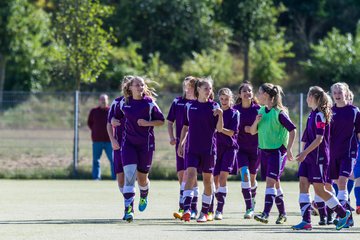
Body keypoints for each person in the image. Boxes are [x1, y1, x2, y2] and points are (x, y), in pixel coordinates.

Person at [292, 86, 351, 231]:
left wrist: (305, 153)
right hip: (309, 157)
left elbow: (319, 139)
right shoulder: (312, 114)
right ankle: (306, 221)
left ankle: (343, 214)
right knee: (303, 184)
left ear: (314, 97)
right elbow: (307, 137)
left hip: (319, 157)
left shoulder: (320, 115)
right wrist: (303, 153)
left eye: (308, 95)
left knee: (319, 190)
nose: (306, 98)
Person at [114, 76, 165, 222]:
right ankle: (128, 210)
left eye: (142, 85)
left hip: (145, 145)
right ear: (130, 87)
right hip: (128, 144)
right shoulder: (124, 102)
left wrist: (147, 123)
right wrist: (112, 120)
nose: (140, 87)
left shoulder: (149, 103)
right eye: (137, 85)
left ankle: (144, 194)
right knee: (129, 176)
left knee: (142, 179)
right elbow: (114, 117)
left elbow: (161, 120)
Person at [177, 77, 223, 222]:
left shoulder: (214, 106)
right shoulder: (189, 106)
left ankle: (204, 212)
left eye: (210, 89)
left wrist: (221, 115)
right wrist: (180, 144)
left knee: (208, 180)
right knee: (190, 175)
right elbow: (185, 127)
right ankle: (187, 209)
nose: (209, 91)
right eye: (205, 88)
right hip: (192, 148)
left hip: (208, 150)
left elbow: (219, 129)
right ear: (198, 89)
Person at [249, 83, 296, 225]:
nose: (257, 95)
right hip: (264, 151)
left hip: (277, 151)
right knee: (275, 183)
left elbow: (293, 130)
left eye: (259, 92)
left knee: (270, 182)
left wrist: (288, 149)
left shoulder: (280, 113)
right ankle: (282, 214)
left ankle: (265, 213)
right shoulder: (262, 111)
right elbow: (252, 132)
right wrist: (256, 122)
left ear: (267, 95)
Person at [328, 82, 360, 226]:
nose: (337, 95)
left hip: (349, 152)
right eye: (335, 92)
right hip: (333, 153)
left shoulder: (354, 111)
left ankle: (342, 216)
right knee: (336, 184)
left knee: (342, 182)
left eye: (340, 92)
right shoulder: (329, 111)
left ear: (346, 93)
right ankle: (349, 218)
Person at [167, 76, 198, 220]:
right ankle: (186, 206)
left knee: (190, 175)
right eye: (187, 85)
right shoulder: (177, 101)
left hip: (194, 143)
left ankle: (189, 208)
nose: (189, 88)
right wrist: (172, 137)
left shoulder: (198, 103)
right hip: (180, 143)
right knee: (181, 175)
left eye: (192, 86)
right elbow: (169, 122)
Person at [233, 81, 260, 219]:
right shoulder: (235, 110)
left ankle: (252, 198)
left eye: (249, 90)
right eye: (244, 91)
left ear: (252, 93)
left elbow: (256, 130)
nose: (247, 93)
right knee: (245, 174)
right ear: (240, 94)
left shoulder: (258, 109)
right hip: (240, 149)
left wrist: (252, 128)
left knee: (253, 179)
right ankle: (249, 207)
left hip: (256, 149)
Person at [107, 76, 132, 219]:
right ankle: (128, 204)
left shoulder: (142, 102)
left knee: (133, 176)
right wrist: (112, 140)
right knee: (121, 178)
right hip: (119, 146)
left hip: (135, 145)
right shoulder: (116, 102)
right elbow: (109, 123)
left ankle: (131, 204)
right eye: (126, 84)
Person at [213, 88, 240, 220]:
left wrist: (220, 128)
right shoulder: (215, 112)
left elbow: (231, 132)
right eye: (222, 99)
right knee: (215, 179)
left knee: (223, 177)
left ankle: (219, 210)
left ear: (231, 99)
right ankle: (211, 207)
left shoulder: (235, 113)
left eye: (226, 99)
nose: (224, 101)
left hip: (230, 149)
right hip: (215, 149)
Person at [87, 94, 115, 180]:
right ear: (99, 100)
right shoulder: (94, 111)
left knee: (113, 160)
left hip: (110, 141)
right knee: (96, 160)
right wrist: (96, 131)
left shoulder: (111, 111)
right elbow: (90, 123)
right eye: (102, 99)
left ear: (108, 100)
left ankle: (116, 177)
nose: (103, 101)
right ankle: (96, 177)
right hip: (97, 140)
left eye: (105, 99)